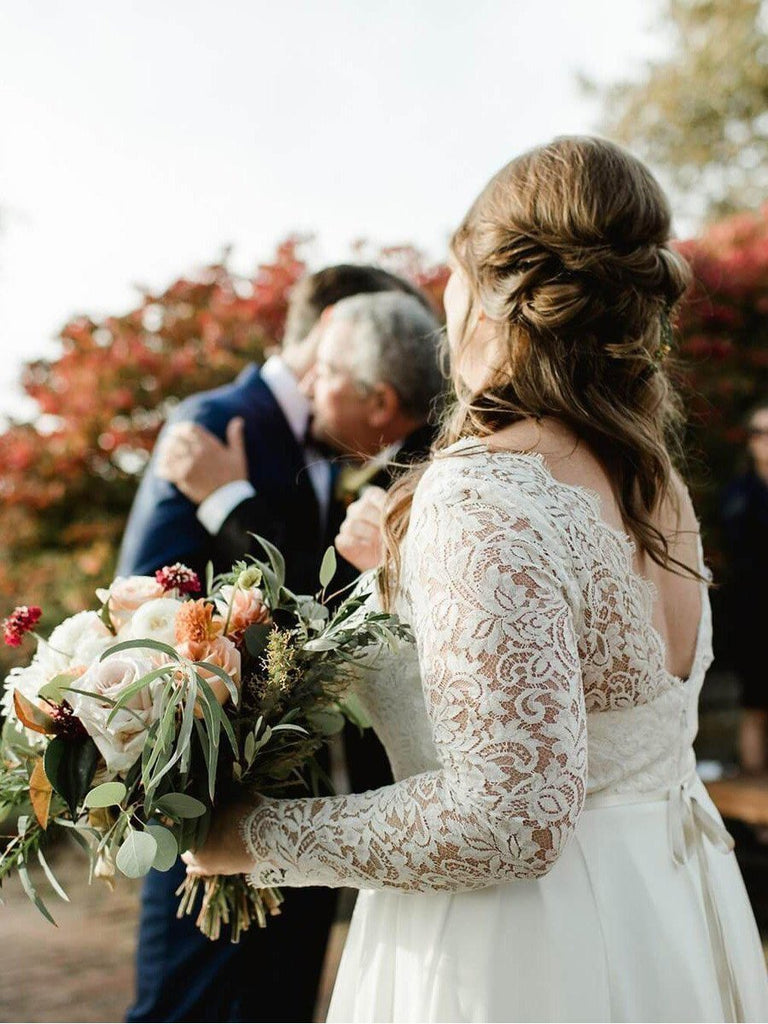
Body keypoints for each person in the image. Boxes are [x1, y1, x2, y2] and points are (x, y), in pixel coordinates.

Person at [182, 136, 768, 1023]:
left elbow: (506, 818)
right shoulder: (654, 480)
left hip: (524, 954)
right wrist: (408, 573)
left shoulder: (481, 490)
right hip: (663, 909)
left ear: (492, 293)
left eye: (451, 272)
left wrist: (245, 836)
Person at [119, 264, 435, 1024]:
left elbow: (329, 595)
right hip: (214, 779)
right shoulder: (213, 422)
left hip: (320, 796)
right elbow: (146, 604)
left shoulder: (365, 431)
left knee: (286, 1002)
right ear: (333, 326)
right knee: (187, 1004)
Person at [157, 290, 443, 795]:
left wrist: (226, 499)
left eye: (328, 372)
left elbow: (322, 599)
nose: (307, 385)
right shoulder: (357, 456)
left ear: (380, 402)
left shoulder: (428, 485)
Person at [722, 399, 768, 775]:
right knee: (754, 707)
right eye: (759, 433)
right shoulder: (738, 494)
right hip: (754, 615)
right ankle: (757, 820)